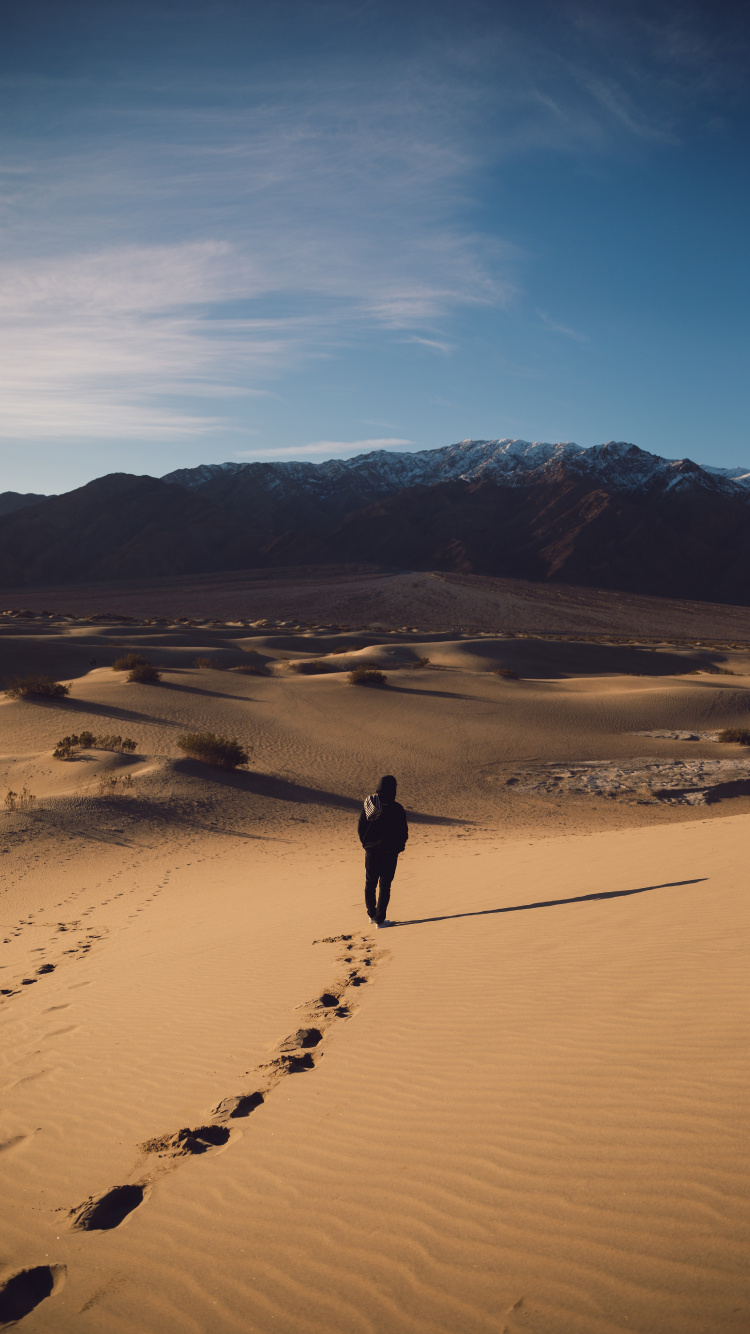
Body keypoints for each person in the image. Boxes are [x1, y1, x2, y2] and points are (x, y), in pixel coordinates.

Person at [358, 774, 408, 928]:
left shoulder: (370, 804)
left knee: (370, 883)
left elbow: (361, 828)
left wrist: (367, 844)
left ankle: (372, 915)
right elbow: (403, 832)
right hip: (389, 853)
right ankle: (380, 920)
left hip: (372, 852)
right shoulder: (397, 808)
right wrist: (399, 848)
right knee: (385, 885)